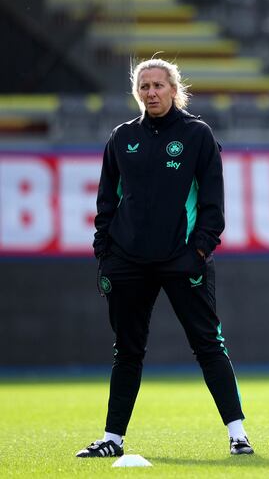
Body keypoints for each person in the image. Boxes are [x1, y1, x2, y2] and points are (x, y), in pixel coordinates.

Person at [76, 58, 254, 457]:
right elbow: (106, 202)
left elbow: (213, 205)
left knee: (208, 344)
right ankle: (112, 440)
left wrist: (201, 250)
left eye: (158, 85)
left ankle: (238, 435)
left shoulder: (197, 135)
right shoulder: (121, 138)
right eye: (144, 86)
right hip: (128, 261)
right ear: (136, 92)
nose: (151, 92)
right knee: (127, 351)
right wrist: (104, 255)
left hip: (182, 259)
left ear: (175, 90)